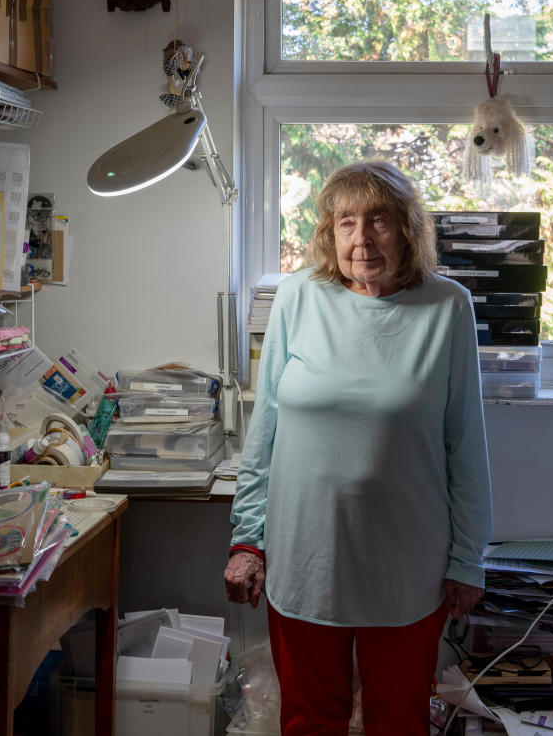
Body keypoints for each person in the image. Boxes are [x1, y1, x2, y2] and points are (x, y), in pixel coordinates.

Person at [224, 160, 493, 735]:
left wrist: (468, 559)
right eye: (346, 223)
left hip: (406, 561)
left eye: (379, 221)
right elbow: (264, 428)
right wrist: (247, 539)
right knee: (308, 719)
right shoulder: (296, 297)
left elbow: (465, 444)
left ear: (407, 230)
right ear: (329, 234)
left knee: (397, 719)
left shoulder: (447, 307)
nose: (362, 239)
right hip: (304, 554)